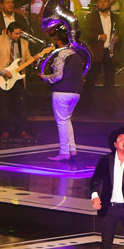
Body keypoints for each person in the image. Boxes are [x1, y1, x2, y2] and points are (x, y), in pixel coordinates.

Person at [40, 25, 89, 161]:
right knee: (67, 120)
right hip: (75, 92)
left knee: (61, 122)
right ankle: (72, 149)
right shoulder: (78, 54)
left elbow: (58, 76)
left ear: (59, 41)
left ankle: (64, 152)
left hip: (62, 92)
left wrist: (45, 77)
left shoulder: (61, 55)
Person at [0, 22, 35, 144]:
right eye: (16, 33)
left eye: (19, 33)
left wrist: (35, 59)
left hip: (18, 78)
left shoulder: (24, 43)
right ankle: (5, 131)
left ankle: (22, 130)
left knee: (21, 105)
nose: (18, 36)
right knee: (4, 105)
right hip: (3, 77)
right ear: (9, 32)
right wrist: (3, 71)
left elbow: (28, 58)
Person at [86, 0, 121, 110]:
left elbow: (122, 31)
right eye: (100, 2)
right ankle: (86, 107)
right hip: (97, 52)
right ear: (97, 4)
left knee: (110, 80)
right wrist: (98, 37)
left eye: (105, 1)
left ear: (108, 3)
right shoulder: (91, 17)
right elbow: (85, 31)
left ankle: (109, 108)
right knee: (91, 79)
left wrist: (118, 37)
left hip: (110, 51)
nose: (103, 4)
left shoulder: (115, 17)